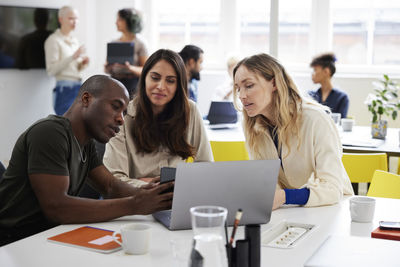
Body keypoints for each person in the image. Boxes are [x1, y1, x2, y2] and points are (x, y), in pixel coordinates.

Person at [0, 75, 173, 246]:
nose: (121, 119)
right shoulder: (49, 132)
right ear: (86, 99)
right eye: (115, 106)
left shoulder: (85, 143)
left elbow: (110, 186)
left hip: (46, 237)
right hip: (14, 242)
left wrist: (150, 193)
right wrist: (135, 204)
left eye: (124, 112)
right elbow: (57, 207)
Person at [232, 53, 353, 210]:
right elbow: (267, 184)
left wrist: (285, 197)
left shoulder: (316, 120)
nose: (241, 96)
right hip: (294, 211)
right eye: (238, 89)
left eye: (249, 86)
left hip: (333, 208)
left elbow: (332, 189)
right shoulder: (252, 127)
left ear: (274, 83)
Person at [103, 49, 212, 187]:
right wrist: (148, 186)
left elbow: (205, 167)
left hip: (177, 199)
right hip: (135, 202)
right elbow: (114, 179)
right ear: (144, 79)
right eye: (155, 78)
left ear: (179, 86)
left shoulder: (190, 111)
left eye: (170, 81)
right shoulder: (123, 116)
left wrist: (178, 184)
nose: (161, 86)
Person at [44, 6, 89, 115]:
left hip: (79, 88)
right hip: (65, 90)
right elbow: (51, 70)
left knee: (78, 128)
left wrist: (83, 63)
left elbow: (74, 67)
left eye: (76, 18)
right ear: (60, 19)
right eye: (71, 18)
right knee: (66, 127)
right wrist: (73, 57)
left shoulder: (74, 40)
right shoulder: (53, 40)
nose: (75, 22)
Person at [105, 8, 148, 98]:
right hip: (114, 82)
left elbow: (145, 70)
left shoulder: (140, 44)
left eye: (120, 19)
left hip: (132, 84)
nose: (116, 23)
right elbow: (106, 70)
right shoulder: (114, 43)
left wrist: (130, 68)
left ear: (130, 21)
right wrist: (108, 67)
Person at [308, 53, 349, 118]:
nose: (312, 74)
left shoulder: (342, 97)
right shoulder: (310, 95)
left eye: (315, 70)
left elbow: (340, 122)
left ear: (326, 71)